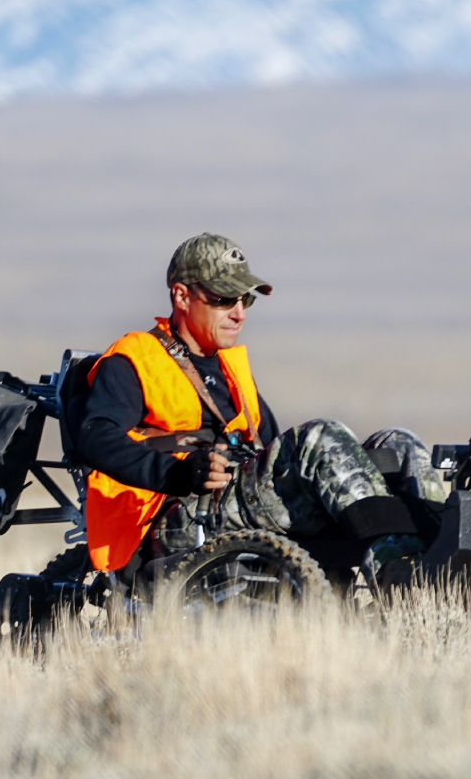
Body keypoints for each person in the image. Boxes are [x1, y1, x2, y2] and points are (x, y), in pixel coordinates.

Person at [74, 232, 444, 584]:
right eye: (223, 299)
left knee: (398, 442)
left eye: (245, 300)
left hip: (237, 504)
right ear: (182, 296)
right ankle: (399, 575)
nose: (239, 313)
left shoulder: (231, 369)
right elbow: (95, 436)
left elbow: (270, 452)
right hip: (175, 521)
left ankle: (442, 559)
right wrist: (178, 473)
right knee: (318, 438)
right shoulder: (135, 358)